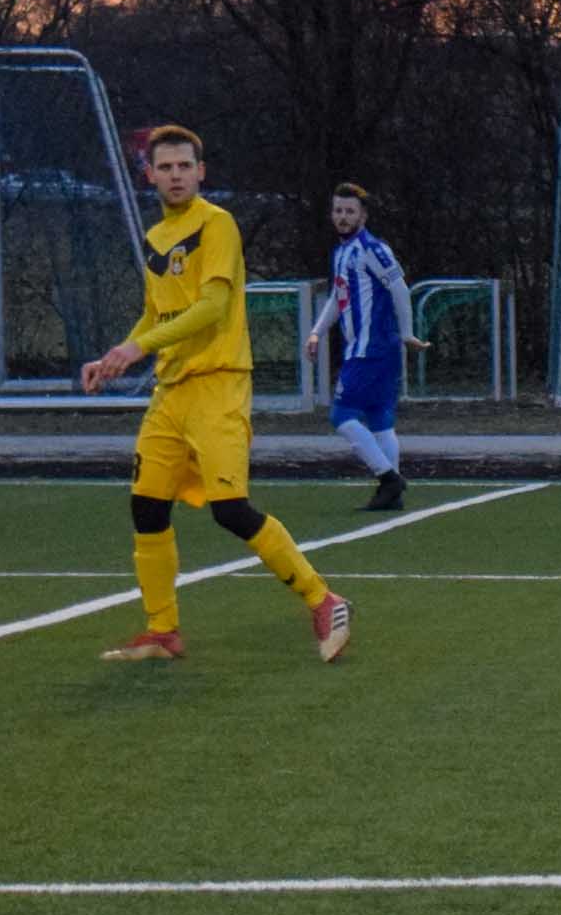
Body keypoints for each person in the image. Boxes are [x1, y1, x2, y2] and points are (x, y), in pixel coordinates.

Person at [79, 125, 352, 663]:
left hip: (220, 384)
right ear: (150, 175)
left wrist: (138, 349)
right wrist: (118, 354)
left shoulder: (216, 224)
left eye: (185, 166)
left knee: (231, 510)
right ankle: (163, 631)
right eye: (165, 167)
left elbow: (212, 307)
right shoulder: (157, 238)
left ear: (201, 172)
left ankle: (324, 600)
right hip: (171, 392)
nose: (176, 175)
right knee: (146, 506)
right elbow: (157, 313)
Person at [302, 181, 421, 513]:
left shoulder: (372, 249)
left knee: (341, 415)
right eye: (338, 211)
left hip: (371, 350)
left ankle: (389, 478)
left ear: (363, 216)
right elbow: (339, 299)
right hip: (371, 350)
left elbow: (399, 288)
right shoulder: (342, 252)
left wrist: (407, 332)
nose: (342, 217)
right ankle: (392, 495)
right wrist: (316, 332)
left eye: (350, 211)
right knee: (380, 420)